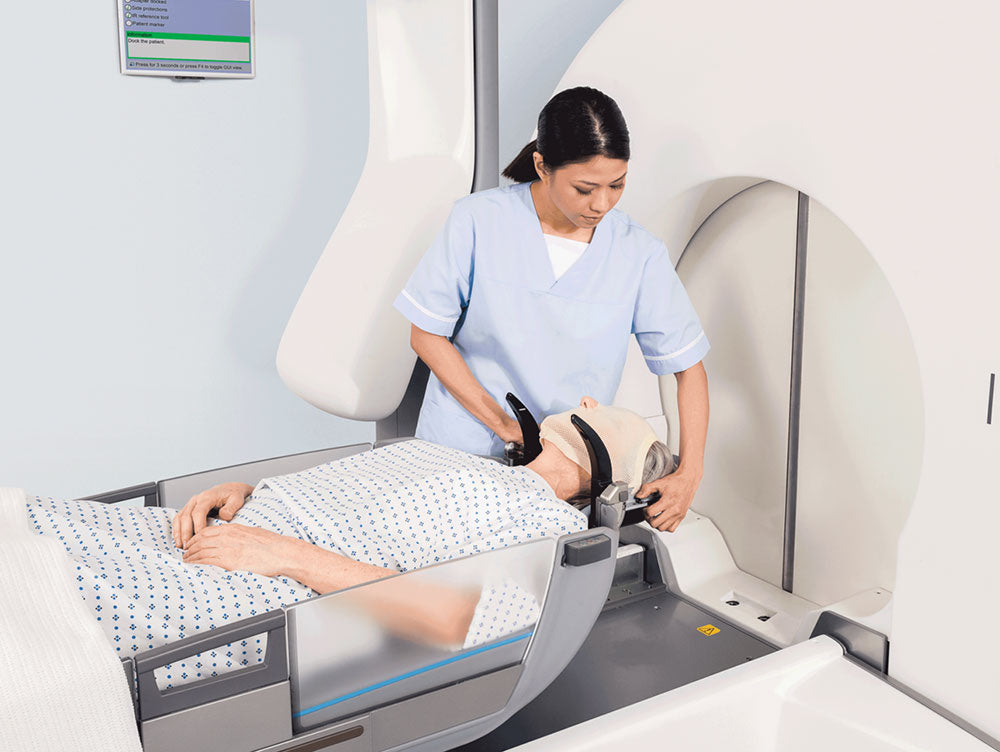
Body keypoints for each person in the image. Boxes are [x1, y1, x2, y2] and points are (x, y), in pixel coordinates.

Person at [28, 401, 668, 687]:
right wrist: (249, 493)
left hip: (259, 585)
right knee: (29, 525)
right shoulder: (461, 460)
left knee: (41, 611)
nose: (588, 401)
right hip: (229, 533)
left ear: (612, 478)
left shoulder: (548, 530)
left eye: (611, 412)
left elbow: (458, 619)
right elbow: (358, 500)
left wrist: (280, 555)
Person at [393, 86, 709, 534]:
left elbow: (689, 370)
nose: (602, 203)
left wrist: (689, 475)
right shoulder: (478, 222)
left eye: (617, 185)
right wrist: (505, 427)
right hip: (459, 451)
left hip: (567, 475)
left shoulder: (638, 254)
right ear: (542, 166)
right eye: (585, 188)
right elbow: (425, 334)